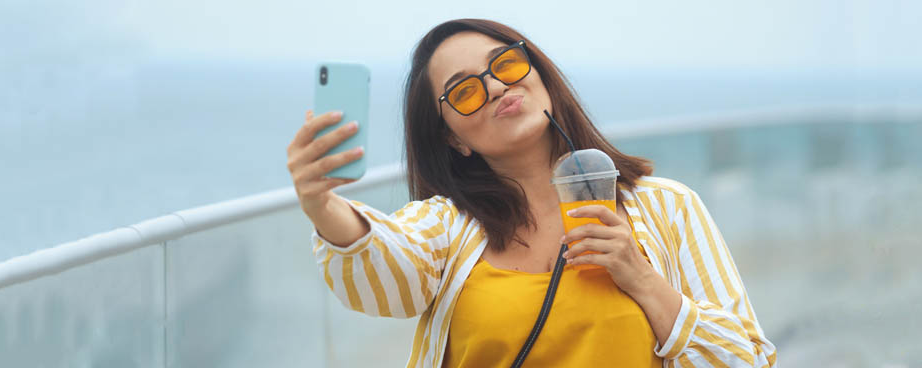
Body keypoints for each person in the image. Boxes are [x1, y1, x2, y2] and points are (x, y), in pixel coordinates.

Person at [285, 18, 776, 368]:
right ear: (453, 138)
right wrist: (322, 205)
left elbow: (745, 360)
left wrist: (642, 278)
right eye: (465, 91)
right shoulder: (447, 226)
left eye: (505, 64)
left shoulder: (667, 206)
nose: (496, 86)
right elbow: (383, 279)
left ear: (540, 75)